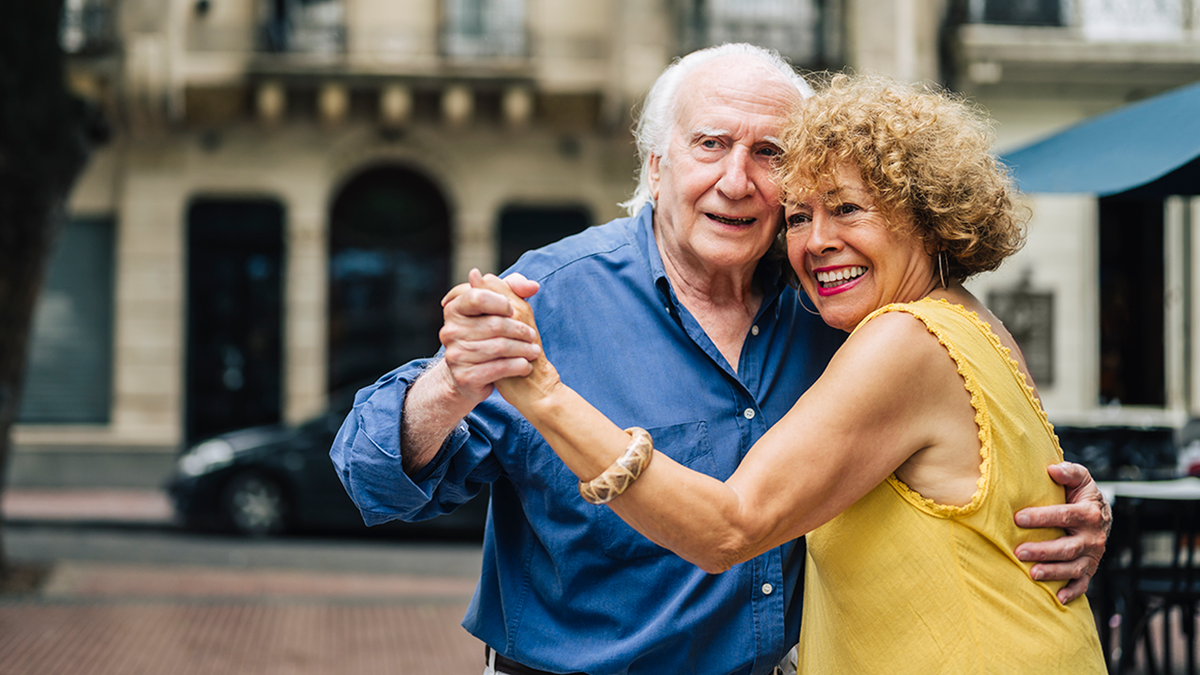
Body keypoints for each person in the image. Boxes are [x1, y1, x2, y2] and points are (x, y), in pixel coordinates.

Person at [330, 45, 1110, 675]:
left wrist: (1074, 511)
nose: (736, 181)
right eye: (710, 144)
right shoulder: (555, 294)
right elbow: (370, 478)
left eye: (769, 153)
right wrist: (451, 380)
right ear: (656, 166)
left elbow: (962, 449)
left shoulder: (840, 308)